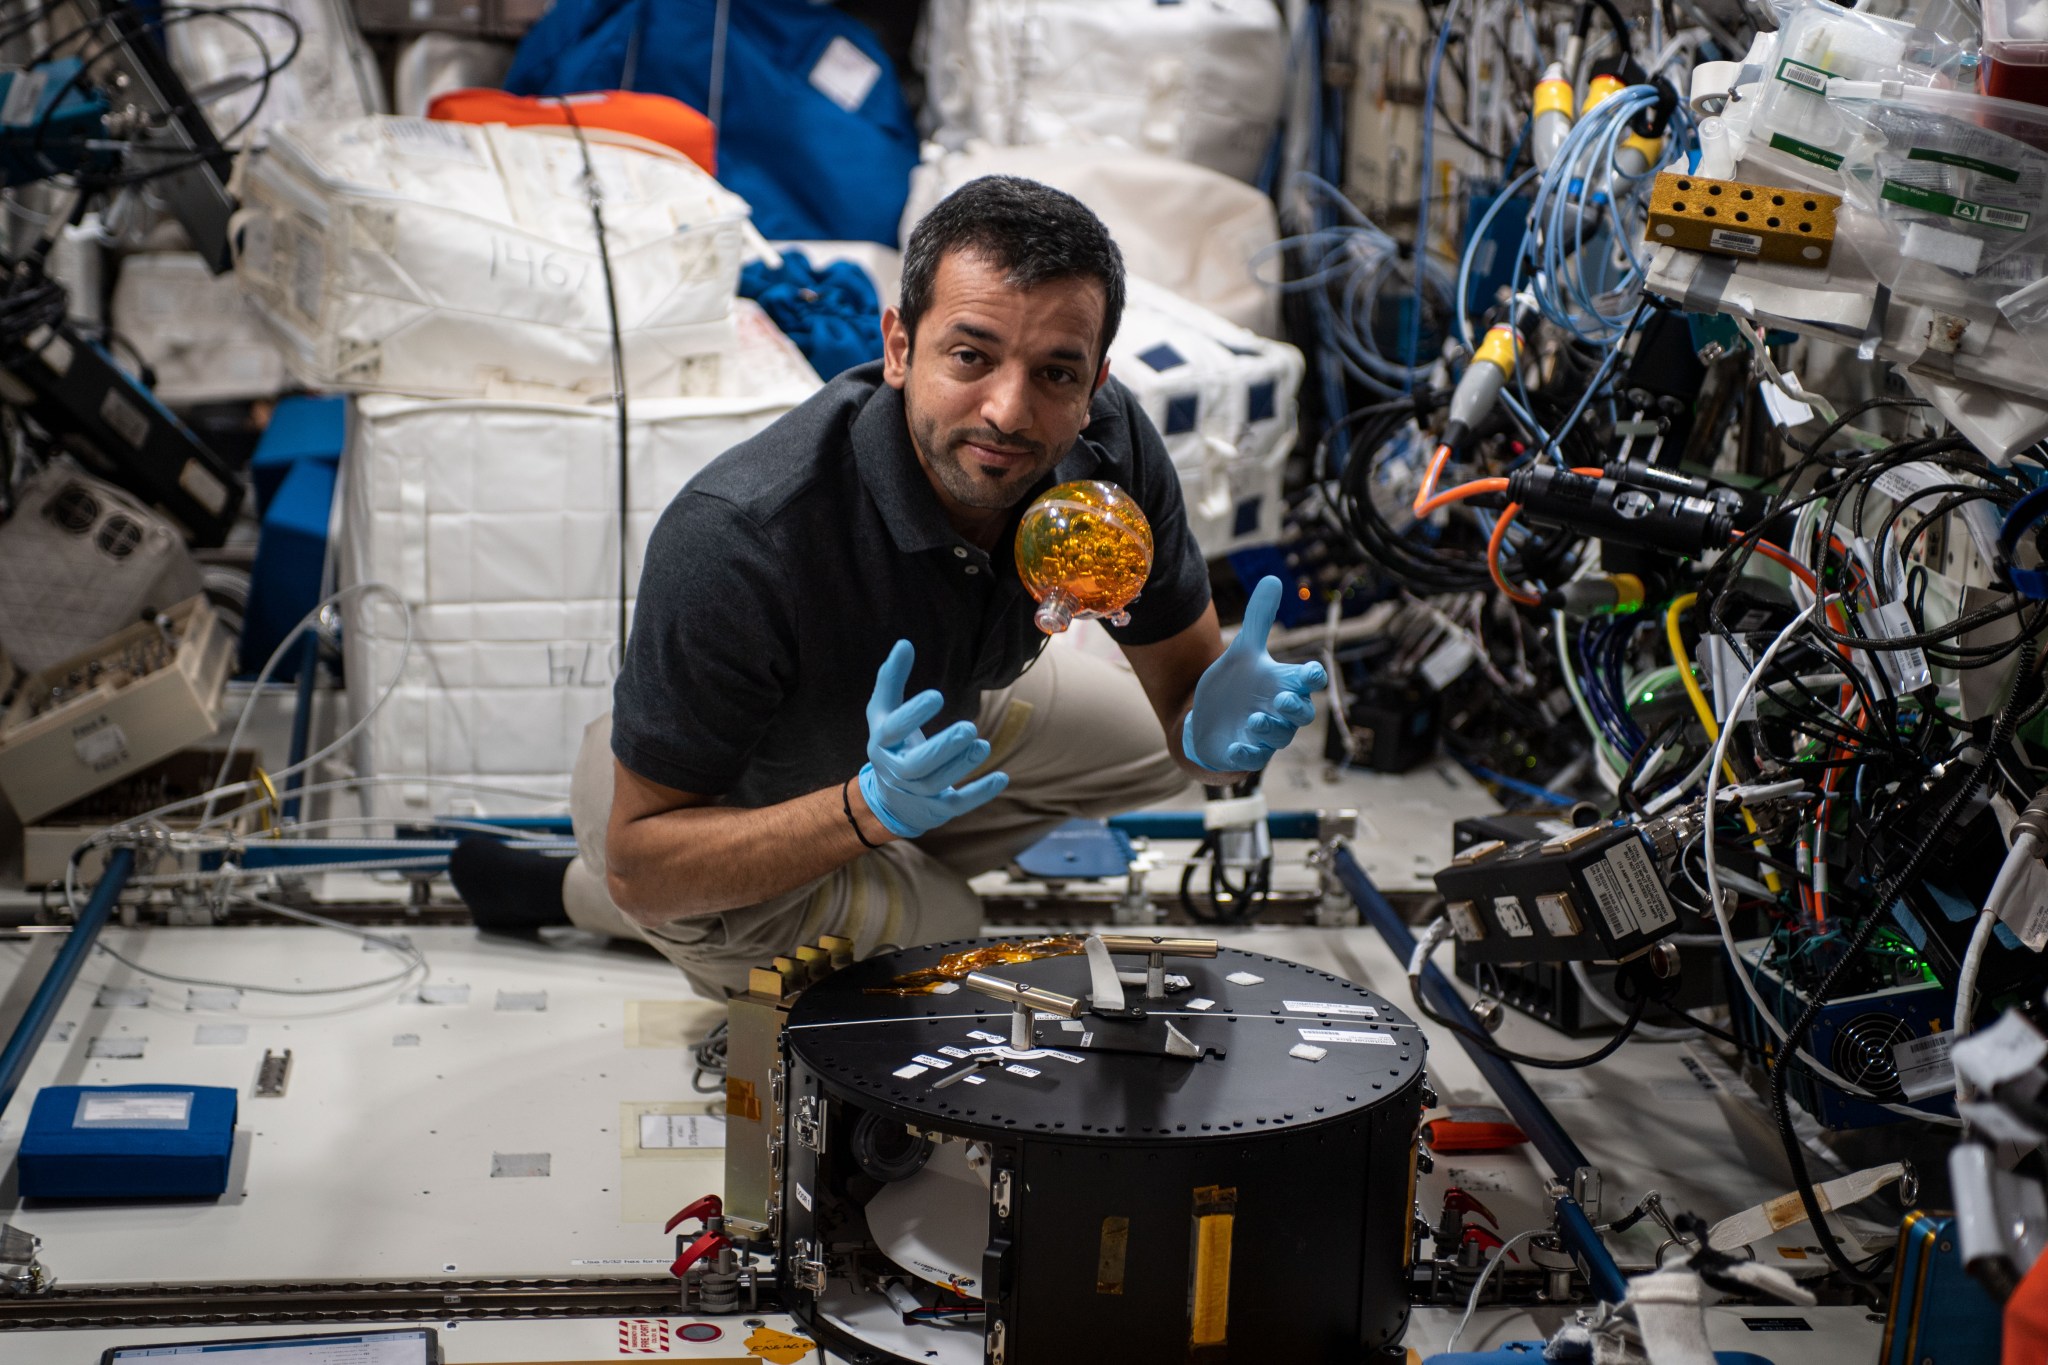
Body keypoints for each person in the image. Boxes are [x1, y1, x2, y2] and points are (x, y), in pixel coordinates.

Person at [453, 175, 1324, 998]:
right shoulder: (743, 538)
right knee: (951, 924)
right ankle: (649, 902)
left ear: (1095, 382)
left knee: (1140, 750)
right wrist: (867, 811)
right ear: (900, 346)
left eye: (1056, 373)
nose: (1010, 412)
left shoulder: (1104, 446)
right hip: (698, 799)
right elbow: (645, 860)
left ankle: (833, 871)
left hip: (925, 716)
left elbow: (1182, 706)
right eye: (972, 356)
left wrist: (1211, 742)